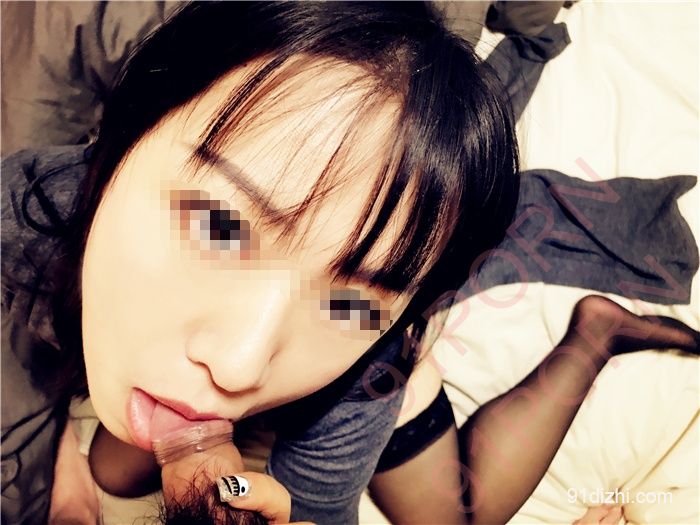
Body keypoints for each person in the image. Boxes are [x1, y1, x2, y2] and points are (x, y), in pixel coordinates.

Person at [2, 3, 697, 525]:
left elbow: (306, 506)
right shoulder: (25, 207)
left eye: (352, 301)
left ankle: (595, 334)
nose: (241, 366)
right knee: (114, 471)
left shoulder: (357, 379)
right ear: (125, 134)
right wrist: (71, 461)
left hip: (382, 378)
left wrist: (233, 493)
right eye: (220, 227)